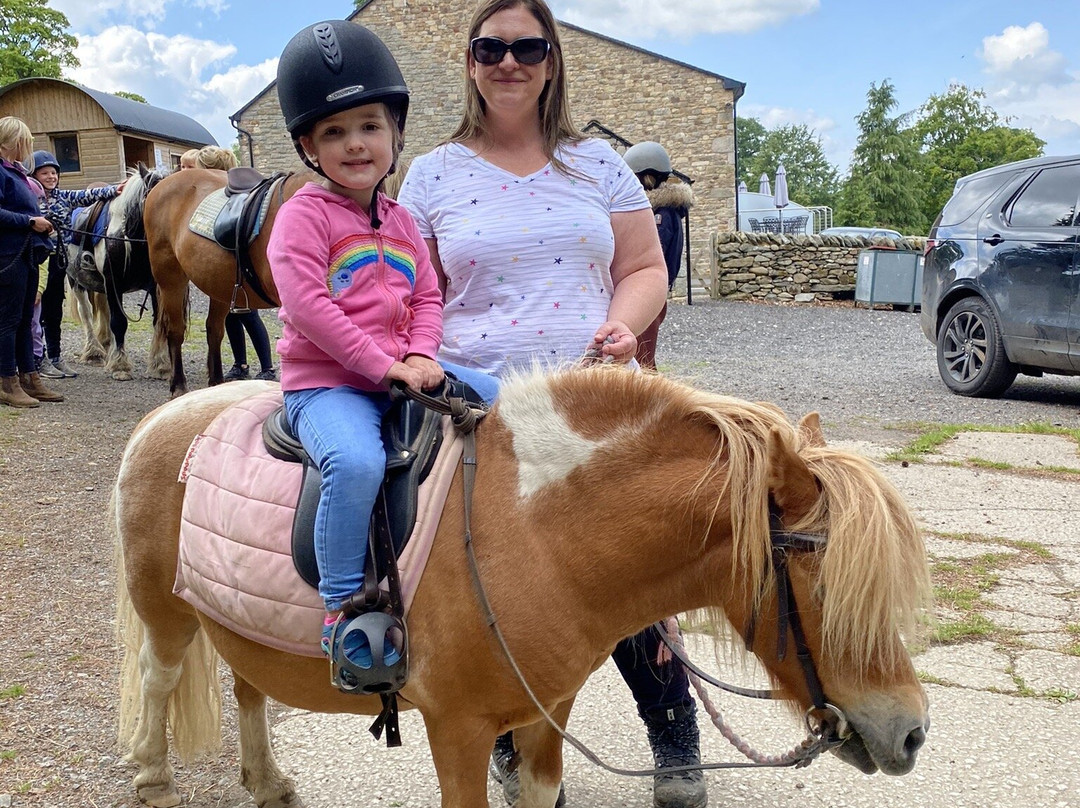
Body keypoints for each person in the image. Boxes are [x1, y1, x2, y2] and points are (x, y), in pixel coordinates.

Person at [396, 3, 705, 807]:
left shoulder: (595, 164)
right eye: (491, 48)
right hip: (475, 408)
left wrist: (623, 323)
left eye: (527, 47)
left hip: (593, 402)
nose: (509, 62)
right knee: (488, 581)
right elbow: (413, 292)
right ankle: (508, 740)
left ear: (550, 60)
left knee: (632, 570)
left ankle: (675, 737)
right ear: (469, 62)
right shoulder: (430, 173)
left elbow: (642, 267)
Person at [266, 20, 496, 690]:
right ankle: (342, 606)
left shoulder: (399, 221)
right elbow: (308, 307)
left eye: (368, 125)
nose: (354, 143)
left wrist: (423, 356)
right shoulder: (303, 218)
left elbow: (427, 296)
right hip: (328, 386)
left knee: (502, 401)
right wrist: (383, 365)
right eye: (333, 132)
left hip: (399, 373)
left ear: (395, 134)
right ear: (309, 147)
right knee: (357, 459)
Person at [31, 150, 122, 379]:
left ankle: (54, 357)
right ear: (34, 175)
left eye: (53, 172)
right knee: (35, 312)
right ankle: (36, 360)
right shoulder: (30, 199)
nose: (51, 176)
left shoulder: (63, 197)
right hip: (36, 260)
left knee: (53, 311)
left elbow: (88, 195)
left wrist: (116, 189)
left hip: (58, 261)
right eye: (45, 173)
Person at [190, 145, 277, 381]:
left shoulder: (230, 196)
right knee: (232, 315)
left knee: (249, 315)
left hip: (243, 268)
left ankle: (267, 367)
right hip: (230, 269)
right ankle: (241, 363)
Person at [0, 117, 61, 407]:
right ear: (10, 142)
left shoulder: (15, 172)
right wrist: (30, 221)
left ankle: (29, 376)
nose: (27, 147)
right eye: (24, 141)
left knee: (25, 319)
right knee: (9, 321)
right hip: (8, 256)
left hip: (25, 254)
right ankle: (7, 382)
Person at [622, 141, 694, 370]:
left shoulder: (660, 215)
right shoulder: (667, 211)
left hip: (644, 293)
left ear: (646, 177)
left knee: (642, 363)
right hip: (651, 293)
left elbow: (647, 256)